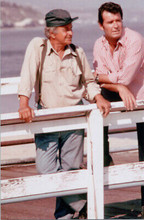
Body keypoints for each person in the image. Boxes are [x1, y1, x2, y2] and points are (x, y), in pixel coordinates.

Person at [18, 9, 111, 219]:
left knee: (71, 171)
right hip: (47, 121)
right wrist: (24, 103)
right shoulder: (37, 47)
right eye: (66, 29)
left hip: (74, 122)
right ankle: (84, 202)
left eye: (71, 28)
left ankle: (65, 216)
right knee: (45, 171)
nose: (70, 33)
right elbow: (27, 76)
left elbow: (88, 82)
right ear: (52, 33)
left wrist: (98, 98)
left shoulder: (77, 52)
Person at [93, 2, 144, 218]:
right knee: (99, 100)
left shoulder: (135, 40)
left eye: (118, 21)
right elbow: (107, 81)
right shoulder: (99, 44)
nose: (115, 26)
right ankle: (103, 154)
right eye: (110, 22)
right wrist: (117, 85)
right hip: (121, 93)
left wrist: (104, 78)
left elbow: (117, 77)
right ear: (100, 25)